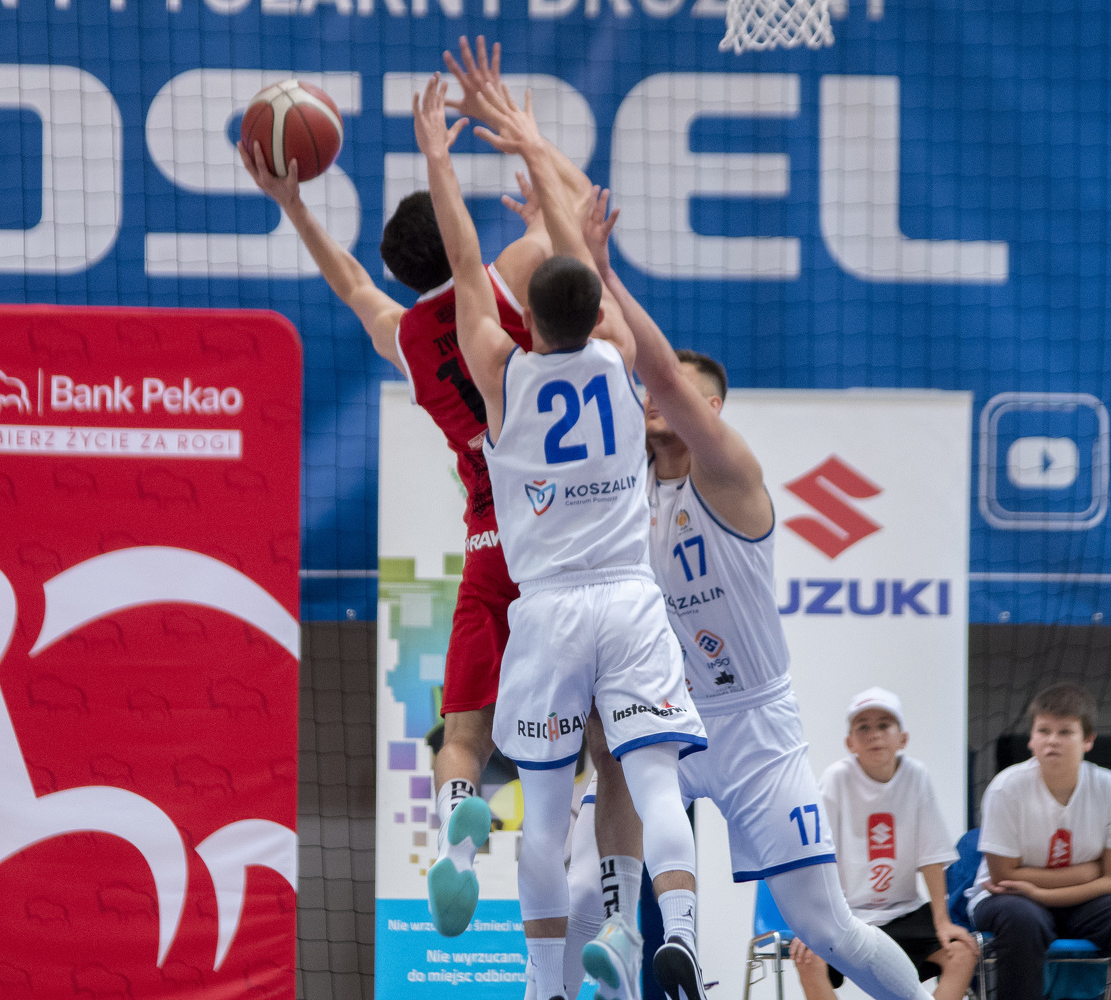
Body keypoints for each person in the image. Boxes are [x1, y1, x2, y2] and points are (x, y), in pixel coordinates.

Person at [559, 186, 948, 1000]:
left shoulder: (730, 475)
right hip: (666, 714)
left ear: (710, 409)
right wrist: (562, 216)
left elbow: (654, 369)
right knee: (583, 897)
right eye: (647, 391)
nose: (651, 396)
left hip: (754, 725)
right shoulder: (628, 484)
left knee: (825, 927)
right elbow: (601, 347)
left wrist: (605, 269)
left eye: (671, 390)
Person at [236, 48, 561, 935]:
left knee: (462, 731)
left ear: (404, 271)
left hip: (488, 545)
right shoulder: (502, 284)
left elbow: (349, 282)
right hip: (557, 539)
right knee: (593, 740)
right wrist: (524, 183)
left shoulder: (407, 339)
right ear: (460, 239)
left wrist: (295, 205)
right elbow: (559, 222)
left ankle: (458, 841)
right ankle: (609, 895)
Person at [414, 77, 709, 1000]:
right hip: (628, 598)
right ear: (594, 311)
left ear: (527, 320)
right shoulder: (622, 359)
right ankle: (675, 938)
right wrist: (534, 148)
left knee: (543, 816)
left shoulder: (500, 374)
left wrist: (439, 159)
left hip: (545, 613)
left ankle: (544, 986)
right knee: (650, 782)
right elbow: (583, 255)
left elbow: (465, 263)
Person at [966, 683, 1111, 1000]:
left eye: (1065, 732)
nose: (1052, 740)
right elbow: (1003, 877)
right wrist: (1090, 871)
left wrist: (1041, 890)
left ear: (1088, 740)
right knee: (1021, 920)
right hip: (1012, 900)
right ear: (1031, 739)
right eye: (1044, 731)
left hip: (1082, 903)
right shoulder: (1005, 788)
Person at [792, 688, 976, 1000]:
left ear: (902, 739)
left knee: (962, 953)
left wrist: (942, 921)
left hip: (904, 912)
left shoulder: (916, 775)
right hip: (846, 915)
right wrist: (814, 921)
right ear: (850, 743)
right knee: (809, 959)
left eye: (884, 725)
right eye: (863, 727)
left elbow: (931, 856)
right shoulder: (836, 778)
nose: (874, 734)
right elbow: (816, 857)